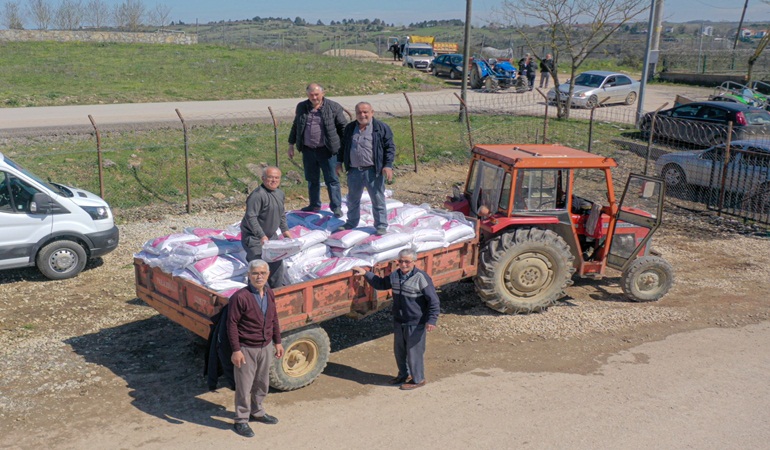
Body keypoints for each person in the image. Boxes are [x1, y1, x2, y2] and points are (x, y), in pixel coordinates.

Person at [352, 248, 439, 390]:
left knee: (414, 352)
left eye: (407, 261)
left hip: (416, 322)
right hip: (399, 320)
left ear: (414, 262)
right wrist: (366, 274)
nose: (403, 264)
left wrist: (432, 320)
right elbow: (381, 284)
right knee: (400, 351)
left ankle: (418, 379)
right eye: (400, 261)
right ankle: (403, 375)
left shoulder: (421, 278)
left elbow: (433, 301)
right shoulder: (395, 275)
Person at [228, 259, 284, 438]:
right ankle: (241, 420)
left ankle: (257, 412)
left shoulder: (269, 293)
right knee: (244, 386)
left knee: (262, 382)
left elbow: (274, 317)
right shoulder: (240, 297)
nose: (259, 276)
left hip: (266, 346)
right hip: (246, 349)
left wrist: (277, 341)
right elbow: (232, 324)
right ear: (248, 275)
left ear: (268, 275)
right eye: (255, 273)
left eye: (262, 273)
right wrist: (236, 350)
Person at [336, 102, 395, 236]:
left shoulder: (380, 128)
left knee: (377, 199)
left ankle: (380, 225)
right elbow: (343, 146)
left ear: (372, 112)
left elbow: (389, 148)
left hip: (373, 171)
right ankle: (351, 222)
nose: (362, 115)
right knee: (353, 199)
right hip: (354, 170)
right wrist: (339, 162)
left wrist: (387, 165)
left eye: (365, 112)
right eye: (359, 113)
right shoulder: (350, 128)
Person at [288, 83, 347, 218]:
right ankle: (314, 204)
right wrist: (291, 144)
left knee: (332, 180)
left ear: (323, 93)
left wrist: (345, 148)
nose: (314, 97)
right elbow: (296, 125)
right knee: (312, 179)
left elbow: (343, 127)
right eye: (311, 95)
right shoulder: (302, 107)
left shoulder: (333, 107)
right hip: (308, 150)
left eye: (317, 94)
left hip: (328, 151)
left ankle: (336, 207)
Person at [240, 166, 292, 288]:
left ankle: (277, 293)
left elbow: (281, 214)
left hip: (271, 236)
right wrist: (261, 236)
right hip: (254, 238)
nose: (274, 180)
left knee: (277, 263)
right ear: (263, 178)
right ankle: (257, 295)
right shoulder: (257, 195)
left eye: (277, 178)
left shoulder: (279, 193)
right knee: (258, 267)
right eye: (270, 177)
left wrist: (285, 231)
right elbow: (250, 217)